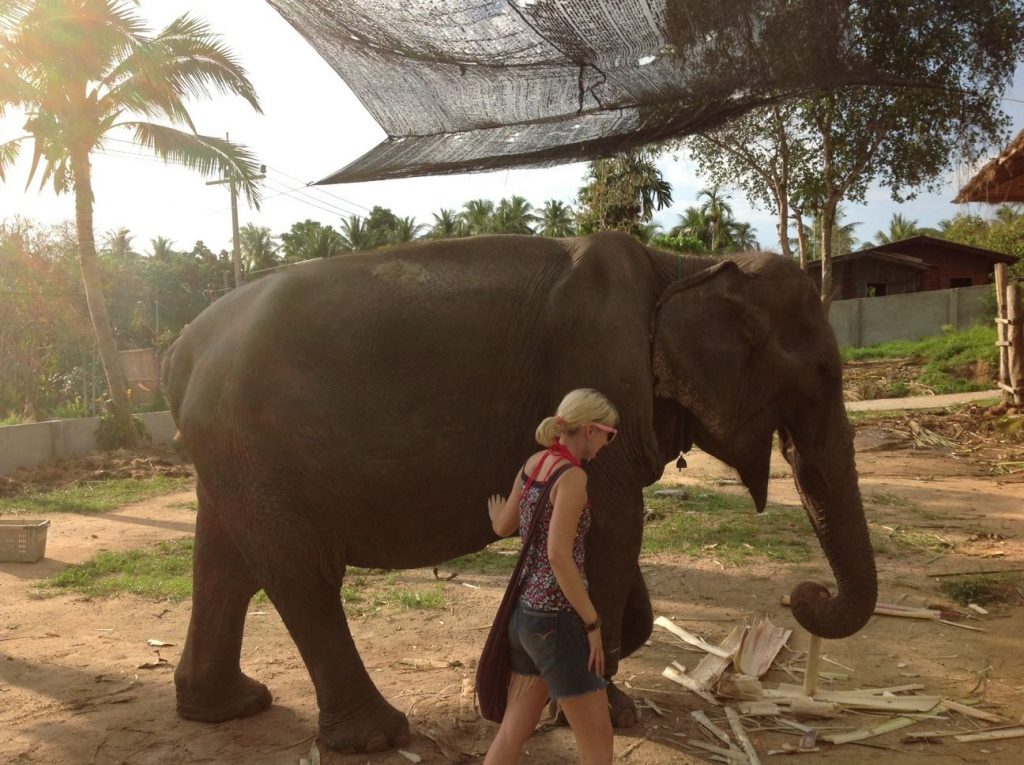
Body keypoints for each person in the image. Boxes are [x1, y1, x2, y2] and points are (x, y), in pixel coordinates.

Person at [483, 388, 620, 765]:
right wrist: (592, 622)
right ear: (590, 430)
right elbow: (559, 555)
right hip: (559, 620)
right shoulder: (572, 478)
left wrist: (495, 515)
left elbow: (504, 526)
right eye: (609, 434)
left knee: (512, 731)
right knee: (598, 745)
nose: (607, 444)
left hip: (525, 617)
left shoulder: (532, 465)